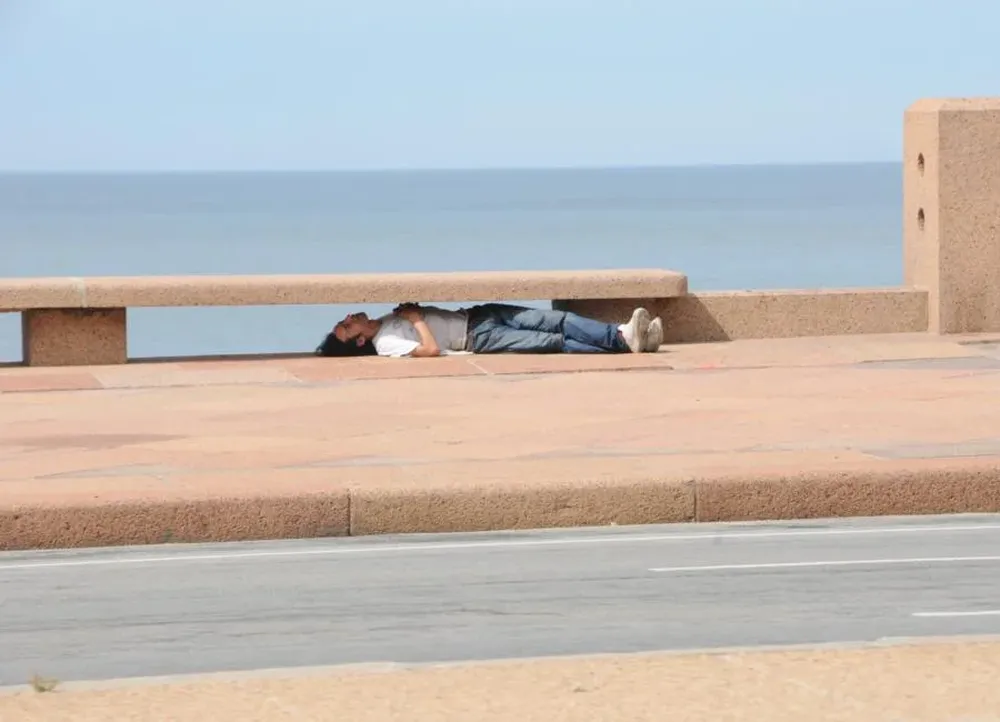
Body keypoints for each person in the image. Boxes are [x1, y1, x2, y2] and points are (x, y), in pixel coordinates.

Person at [316, 302, 664, 358]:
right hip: (478, 337)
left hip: (478, 315)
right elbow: (430, 350)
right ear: (359, 341)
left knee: (556, 319)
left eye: (345, 320)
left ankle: (628, 337)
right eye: (347, 326)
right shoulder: (385, 343)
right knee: (554, 340)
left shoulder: (384, 322)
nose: (349, 317)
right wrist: (416, 318)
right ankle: (623, 339)